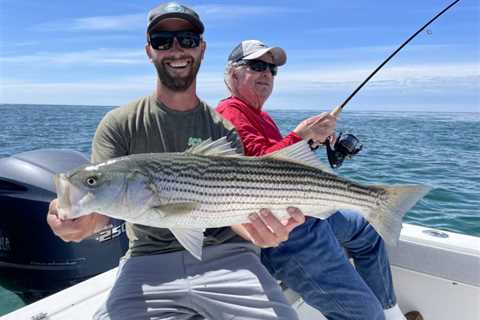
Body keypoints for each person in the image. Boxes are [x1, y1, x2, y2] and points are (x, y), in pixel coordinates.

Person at [46, 4, 304, 320]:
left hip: (229, 258)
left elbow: (229, 204)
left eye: (188, 38)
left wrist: (261, 233)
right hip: (147, 261)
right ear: (149, 51)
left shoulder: (223, 129)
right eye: (162, 40)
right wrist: (79, 223)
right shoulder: (119, 123)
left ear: (202, 48)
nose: (176, 49)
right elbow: (100, 213)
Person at [216, 39, 424, 320]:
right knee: (365, 315)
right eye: (256, 66)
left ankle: (391, 311)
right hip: (287, 233)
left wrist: (310, 142)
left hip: (307, 212)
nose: (267, 73)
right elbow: (258, 168)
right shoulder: (229, 112)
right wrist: (301, 135)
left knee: (367, 231)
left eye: (272, 69)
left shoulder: (261, 116)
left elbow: (285, 165)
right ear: (233, 74)